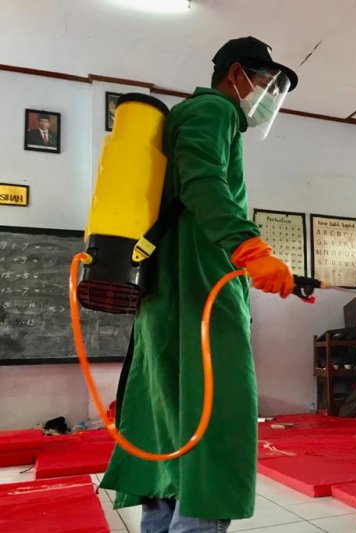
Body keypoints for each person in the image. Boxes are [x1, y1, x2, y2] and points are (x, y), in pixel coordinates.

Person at [100, 36, 299, 532]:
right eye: (265, 83)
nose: (267, 97)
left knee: (168, 427)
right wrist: (249, 248)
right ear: (235, 74)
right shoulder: (214, 111)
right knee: (217, 423)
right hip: (202, 290)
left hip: (171, 296)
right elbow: (203, 181)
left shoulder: (192, 116)